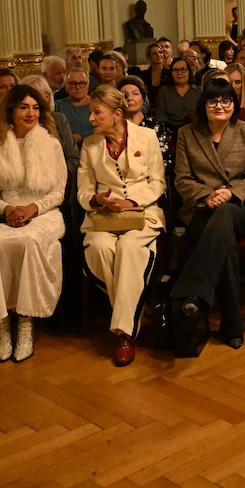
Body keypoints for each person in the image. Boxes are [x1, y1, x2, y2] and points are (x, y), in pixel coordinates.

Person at [170, 79, 245, 350]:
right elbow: (182, 179)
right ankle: (233, 325)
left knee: (226, 215)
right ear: (203, 105)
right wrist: (207, 196)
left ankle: (193, 291)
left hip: (242, 208)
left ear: (234, 105)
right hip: (200, 210)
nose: (220, 106)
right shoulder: (188, 133)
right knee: (226, 243)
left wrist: (230, 194)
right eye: (213, 101)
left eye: (226, 100)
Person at [79, 85, 166, 366]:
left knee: (129, 247)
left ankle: (124, 335)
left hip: (141, 214)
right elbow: (83, 191)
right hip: (103, 217)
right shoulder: (89, 146)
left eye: (96, 112)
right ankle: (131, 313)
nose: (91, 119)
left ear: (117, 114)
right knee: (100, 248)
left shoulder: (147, 137)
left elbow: (158, 183)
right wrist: (96, 199)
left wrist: (131, 202)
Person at [0, 84, 67, 362]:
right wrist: (8, 209)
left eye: (35, 107)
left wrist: (33, 208)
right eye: (23, 107)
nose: (30, 113)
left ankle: (26, 322)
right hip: (7, 212)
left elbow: (58, 193)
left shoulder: (52, 144)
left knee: (29, 240)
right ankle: (3, 323)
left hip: (45, 213)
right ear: (10, 110)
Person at [117, 76, 174, 183]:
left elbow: (165, 161)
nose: (129, 98)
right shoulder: (114, 126)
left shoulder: (155, 125)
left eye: (135, 94)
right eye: (125, 95)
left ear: (143, 99)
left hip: (152, 181)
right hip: (121, 182)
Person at [154, 57, 200, 129]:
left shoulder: (199, 91)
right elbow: (160, 116)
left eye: (183, 69)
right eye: (175, 70)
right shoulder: (163, 91)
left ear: (189, 71)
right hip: (171, 132)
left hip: (196, 130)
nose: (179, 73)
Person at [57, 67, 94, 146]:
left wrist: (80, 137)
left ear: (88, 84)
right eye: (72, 83)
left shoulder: (97, 105)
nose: (78, 87)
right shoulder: (57, 106)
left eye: (82, 83)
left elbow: (104, 128)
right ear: (65, 85)